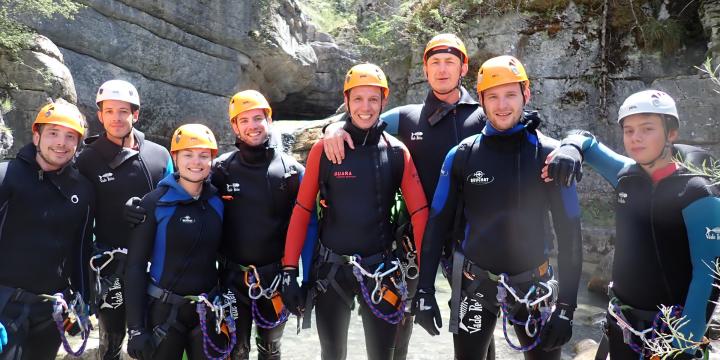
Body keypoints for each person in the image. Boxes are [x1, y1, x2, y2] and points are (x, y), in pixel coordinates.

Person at [322, 34, 494, 360]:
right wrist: (332, 128)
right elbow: (360, 122)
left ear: (464, 67)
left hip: (470, 240)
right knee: (400, 322)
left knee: (477, 329)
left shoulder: (485, 116)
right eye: (435, 63)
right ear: (425, 70)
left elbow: (518, 129)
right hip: (414, 240)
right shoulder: (407, 117)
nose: (442, 70)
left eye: (450, 62)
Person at [412, 55, 583, 360]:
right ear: (481, 101)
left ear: (525, 94)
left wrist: (567, 309)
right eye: (493, 96)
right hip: (476, 287)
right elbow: (436, 226)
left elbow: (570, 236)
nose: (502, 105)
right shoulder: (462, 156)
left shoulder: (550, 156)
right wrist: (424, 290)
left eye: (510, 95)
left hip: (534, 288)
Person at [544, 90, 720, 359]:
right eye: (629, 130)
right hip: (623, 324)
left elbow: (708, 276)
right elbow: (586, 139)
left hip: (670, 330)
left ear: (671, 133)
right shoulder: (626, 175)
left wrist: (684, 344)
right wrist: (570, 147)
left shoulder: (697, 190)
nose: (635, 137)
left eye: (647, 129)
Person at [280, 63, 429, 360]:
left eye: (373, 99)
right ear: (346, 101)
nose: (366, 107)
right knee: (332, 355)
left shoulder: (397, 152)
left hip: (382, 269)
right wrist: (289, 272)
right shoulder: (324, 149)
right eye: (358, 99)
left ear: (384, 101)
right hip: (332, 271)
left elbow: (421, 214)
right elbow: (302, 210)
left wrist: (425, 282)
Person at [75, 79, 173, 360]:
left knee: (155, 339)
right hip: (110, 265)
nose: (116, 118)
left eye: (123, 111)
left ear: (136, 114)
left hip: (154, 263)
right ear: (100, 115)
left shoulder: (158, 155)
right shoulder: (87, 160)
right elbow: (78, 218)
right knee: (111, 342)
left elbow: (174, 204)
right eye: (109, 111)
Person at [124, 124, 233, 360]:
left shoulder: (217, 201)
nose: (196, 162)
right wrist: (134, 328)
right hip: (164, 313)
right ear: (175, 157)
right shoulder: (155, 202)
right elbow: (135, 266)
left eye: (204, 155)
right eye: (188, 155)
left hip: (207, 309)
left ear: (212, 160)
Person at [213, 90, 307, 360]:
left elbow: (310, 227)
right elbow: (188, 201)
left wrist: (298, 278)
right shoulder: (221, 170)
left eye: (258, 118)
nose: (252, 126)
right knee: (236, 352)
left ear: (269, 121)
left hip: (276, 278)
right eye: (244, 120)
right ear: (234, 126)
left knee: (271, 350)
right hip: (232, 278)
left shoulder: (291, 172)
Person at [0, 100, 94, 359]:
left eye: (70, 136)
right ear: (36, 135)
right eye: (53, 133)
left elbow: (81, 249)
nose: (61, 143)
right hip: (6, 306)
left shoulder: (82, 190)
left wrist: (83, 303)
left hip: (52, 309)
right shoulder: (7, 176)